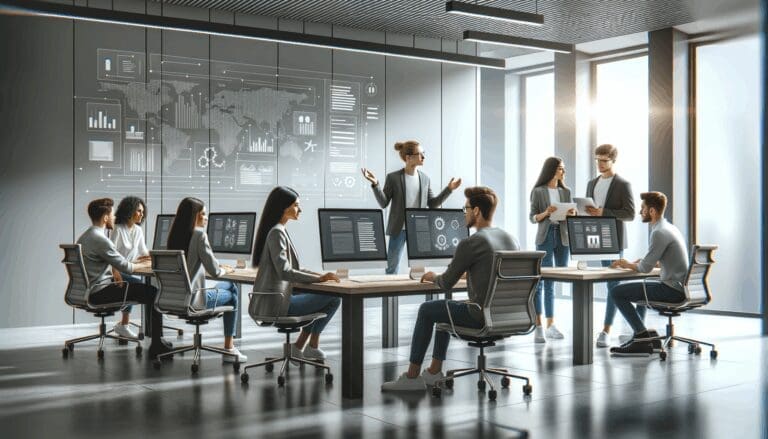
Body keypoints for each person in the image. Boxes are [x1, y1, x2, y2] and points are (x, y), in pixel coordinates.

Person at [381, 186, 519, 391]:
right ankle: (434, 372)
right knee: (445, 308)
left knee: (428, 310)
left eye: (466, 209)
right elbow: (495, 272)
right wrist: (467, 272)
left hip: (480, 315)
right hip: (508, 316)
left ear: (477, 211)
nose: (464, 214)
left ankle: (411, 377)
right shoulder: (510, 239)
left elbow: (445, 283)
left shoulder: (472, 242)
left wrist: (432, 277)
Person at [250, 186, 341, 361]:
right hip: (278, 305)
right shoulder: (277, 232)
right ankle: (309, 346)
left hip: (274, 301)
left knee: (324, 294)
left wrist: (320, 276)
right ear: (283, 207)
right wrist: (319, 279)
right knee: (334, 297)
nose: (300, 209)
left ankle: (302, 347)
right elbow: (285, 272)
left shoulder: (279, 230)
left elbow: (293, 269)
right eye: (296, 205)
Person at [76, 198, 172, 358]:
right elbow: (126, 267)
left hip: (91, 290)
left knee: (147, 289)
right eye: (112, 214)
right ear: (105, 217)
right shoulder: (101, 240)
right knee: (153, 293)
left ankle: (155, 339)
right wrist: (143, 266)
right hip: (100, 292)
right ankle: (157, 344)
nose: (114, 218)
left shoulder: (85, 236)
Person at [361, 140, 462, 274]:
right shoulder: (393, 178)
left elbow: (432, 204)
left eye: (423, 153)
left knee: (419, 269)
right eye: (420, 154)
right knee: (392, 268)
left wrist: (449, 189)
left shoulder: (425, 179)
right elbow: (384, 203)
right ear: (408, 158)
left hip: (419, 229)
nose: (423, 157)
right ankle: (391, 295)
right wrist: (375, 184)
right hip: (399, 229)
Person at [166, 197, 246, 363]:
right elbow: (215, 271)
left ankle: (229, 347)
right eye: (203, 214)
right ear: (194, 216)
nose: (206, 217)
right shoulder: (199, 235)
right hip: (195, 301)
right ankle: (229, 348)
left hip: (174, 299)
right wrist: (226, 269)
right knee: (233, 289)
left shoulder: (173, 236)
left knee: (228, 285)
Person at [608, 192, 688, 356]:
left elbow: (645, 269)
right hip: (679, 287)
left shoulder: (658, 232)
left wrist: (626, 263)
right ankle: (644, 336)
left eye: (643, 208)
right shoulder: (669, 228)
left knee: (616, 292)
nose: (640, 212)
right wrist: (640, 262)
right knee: (638, 289)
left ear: (652, 211)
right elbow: (659, 260)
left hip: (671, 290)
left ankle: (641, 336)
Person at [586, 144, 637, 348]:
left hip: (613, 238)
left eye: (604, 160)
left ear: (613, 160)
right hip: (592, 236)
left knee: (613, 285)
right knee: (589, 280)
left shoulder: (623, 184)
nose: (600, 164)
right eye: (597, 160)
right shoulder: (591, 183)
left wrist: (604, 212)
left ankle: (606, 330)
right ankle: (626, 325)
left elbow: (630, 214)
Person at [528, 157, 576, 343]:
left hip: (563, 236)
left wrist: (572, 214)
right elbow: (533, 218)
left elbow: (571, 216)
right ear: (551, 170)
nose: (563, 172)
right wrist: (547, 213)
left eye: (563, 169)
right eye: (560, 169)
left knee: (556, 280)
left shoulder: (566, 191)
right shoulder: (538, 191)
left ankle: (550, 325)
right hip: (546, 236)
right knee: (543, 281)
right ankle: (539, 325)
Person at [109, 195, 151, 339]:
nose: (142, 214)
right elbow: (110, 255)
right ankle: (124, 325)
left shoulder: (138, 230)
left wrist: (155, 257)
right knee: (137, 285)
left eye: (142, 211)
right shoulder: (118, 229)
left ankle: (123, 324)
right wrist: (115, 272)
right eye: (139, 211)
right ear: (129, 210)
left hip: (130, 269)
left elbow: (143, 252)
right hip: (116, 272)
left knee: (139, 283)